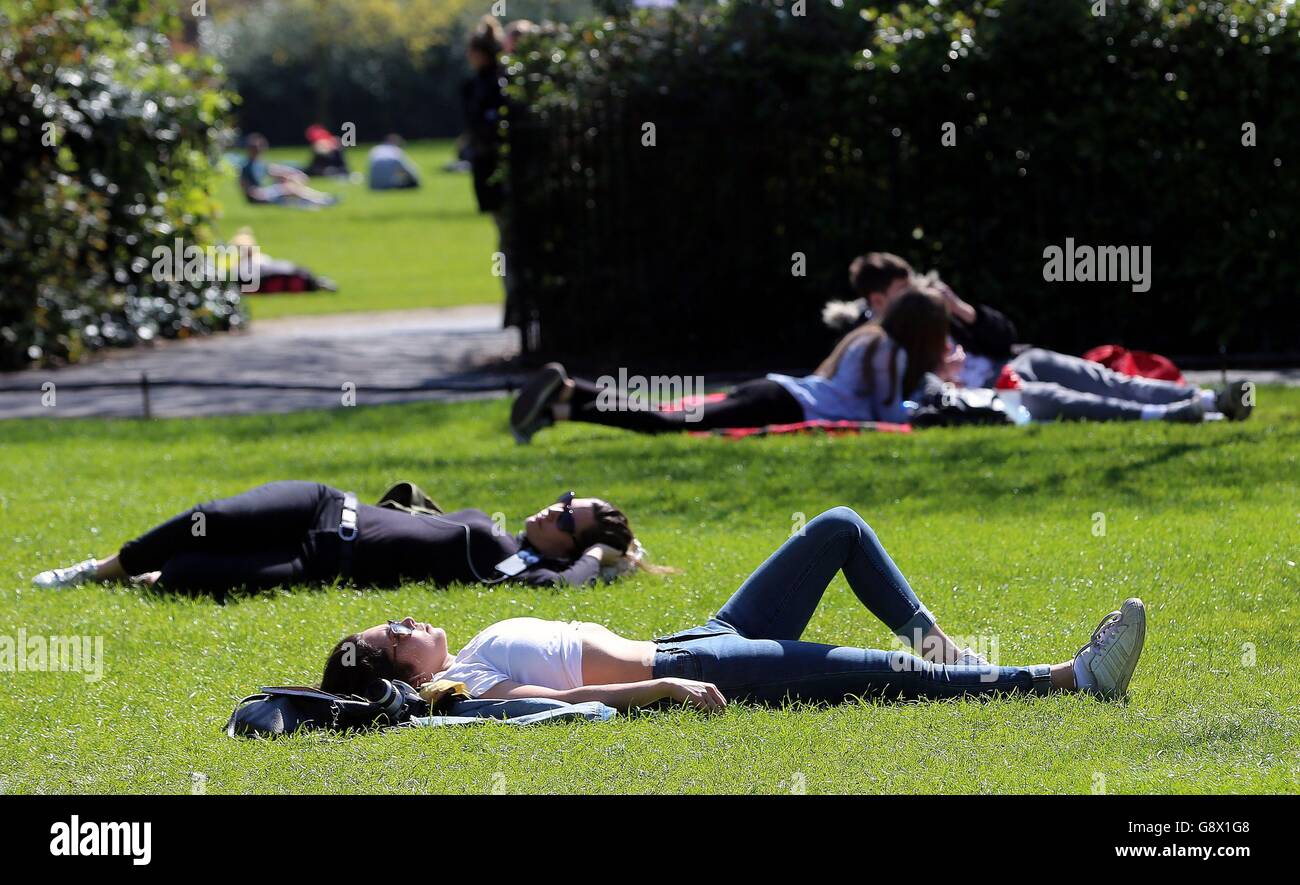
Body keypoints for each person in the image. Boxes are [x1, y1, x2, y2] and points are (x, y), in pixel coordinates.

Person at [320, 507, 1147, 709]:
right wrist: (662, 691)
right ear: (405, 671)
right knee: (877, 675)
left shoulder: (472, 648)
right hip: (695, 666)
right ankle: (1070, 677)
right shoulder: (464, 686)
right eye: (397, 635)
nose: (409, 620)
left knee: (837, 528)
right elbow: (561, 701)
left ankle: (942, 646)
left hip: (701, 634)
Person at [31, 482, 660, 598]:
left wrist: (603, 558)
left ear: (567, 548)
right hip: (326, 505)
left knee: (191, 576)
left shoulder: (523, 568)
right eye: (568, 500)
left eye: (568, 521)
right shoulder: (507, 541)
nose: (556, 509)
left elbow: (565, 588)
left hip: (323, 560)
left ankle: (144, 578)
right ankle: (97, 568)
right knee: (211, 517)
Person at [509, 286, 950, 442]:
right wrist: (930, 402)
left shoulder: (869, 336)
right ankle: (571, 388)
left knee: (669, 418)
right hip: (784, 406)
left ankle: (560, 408)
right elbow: (887, 415)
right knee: (669, 423)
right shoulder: (890, 351)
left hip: (777, 392)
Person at [239, 134, 338, 208]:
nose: (259, 151)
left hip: (265, 192)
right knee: (289, 188)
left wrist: (294, 175)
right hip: (258, 195)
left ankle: (322, 198)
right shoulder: (246, 166)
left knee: (291, 182)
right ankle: (320, 201)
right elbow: (246, 187)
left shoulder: (260, 163)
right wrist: (256, 194)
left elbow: (276, 171)